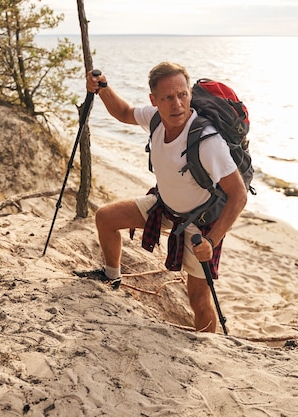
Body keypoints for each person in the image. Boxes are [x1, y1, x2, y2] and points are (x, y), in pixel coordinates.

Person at [75, 62, 247, 333]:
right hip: (165, 205)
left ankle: (210, 348)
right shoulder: (155, 118)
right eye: (168, 97)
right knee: (105, 217)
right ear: (154, 100)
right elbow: (123, 112)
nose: (177, 104)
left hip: (200, 222)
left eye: (182, 95)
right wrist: (103, 88)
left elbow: (238, 195)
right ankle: (111, 276)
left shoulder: (207, 140)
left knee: (198, 298)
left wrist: (212, 241)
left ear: (189, 93)